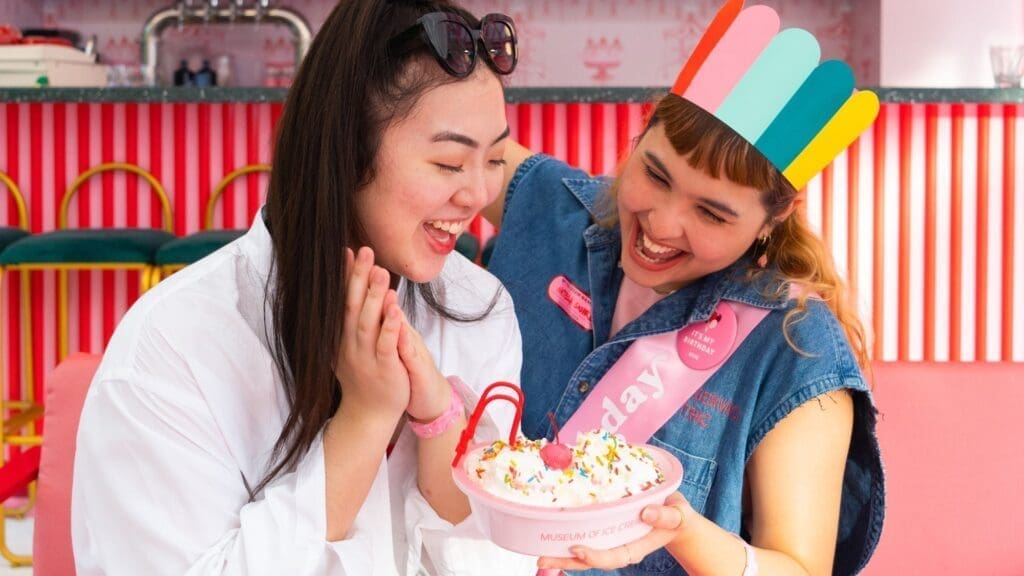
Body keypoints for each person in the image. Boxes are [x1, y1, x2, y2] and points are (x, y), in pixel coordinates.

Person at [71, 1, 537, 574]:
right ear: (346, 147)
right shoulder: (170, 349)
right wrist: (365, 418)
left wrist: (441, 419)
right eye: (447, 163)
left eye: (493, 159)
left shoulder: (476, 308)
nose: (476, 197)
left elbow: (504, 558)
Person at [483, 2, 885, 575]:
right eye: (655, 174)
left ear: (774, 217)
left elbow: (799, 569)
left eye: (712, 214)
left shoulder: (796, 346)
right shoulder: (555, 208)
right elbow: (441, 147)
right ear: (641, 131)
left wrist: (685, 532)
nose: (662, 226)